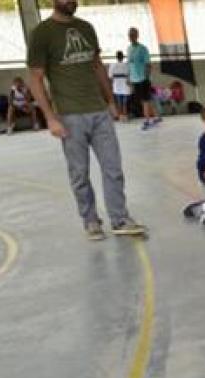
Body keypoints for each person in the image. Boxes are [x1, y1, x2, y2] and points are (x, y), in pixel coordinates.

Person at [27, 0, 146, 240]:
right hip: (69, 115)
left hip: (99, 111)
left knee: (113, 167)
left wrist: (110, 101)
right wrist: (50, 117)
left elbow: (98, 67)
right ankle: (90, 220)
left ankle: (120, 218)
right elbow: (36, 79)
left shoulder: (86, 28)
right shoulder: (42, 33)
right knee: (79, 173)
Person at [127, 27, 161, 130]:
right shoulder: (128, 49)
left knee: (145, 100)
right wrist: (129, 77)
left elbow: (148, 64)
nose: (131, 37)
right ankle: (156, 117)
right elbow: (129, 64)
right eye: (130, 35)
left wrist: (146, 77)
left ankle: (147, 121)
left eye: (133, 35)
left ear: (137, 36)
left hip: (143, 78)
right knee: (144, 100)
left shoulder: (143, 48)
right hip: (135, 79)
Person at [107, 51, 130, 121]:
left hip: (117, 84)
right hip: (125, 84)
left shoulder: (112, 65)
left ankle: (121, 116)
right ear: (123, 57)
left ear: (116, 57)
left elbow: (110, 76)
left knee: (119, 101)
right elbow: (128, 74)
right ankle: (125, 116)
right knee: (125, 102)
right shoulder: (126, 65)